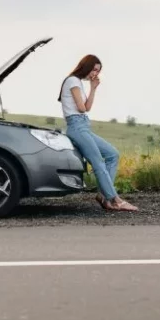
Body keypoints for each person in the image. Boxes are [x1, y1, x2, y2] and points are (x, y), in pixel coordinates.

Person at [59, 54, 138, 212]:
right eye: (94, 70)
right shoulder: (72, 80)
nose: (95, 74)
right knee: (98, 162)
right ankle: (115, 200)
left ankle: (103, 195)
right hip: (77, 127)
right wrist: (85, 99)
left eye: (98, 71)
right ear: (86, 66)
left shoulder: (79, 83)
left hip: (84, 126)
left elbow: (87, 107)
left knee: (112, 154)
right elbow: (81, 108)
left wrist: (93, 88)